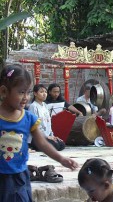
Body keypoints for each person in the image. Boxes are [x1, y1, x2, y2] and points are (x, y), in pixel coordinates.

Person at [0, 64, 78, 201]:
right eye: (21, 92)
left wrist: (61, 159)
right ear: (4, 92)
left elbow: (42, 143)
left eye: (28, 92)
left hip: (19, 177)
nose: (26, 97)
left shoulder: (28, 118)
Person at [28, 84, 65, 151]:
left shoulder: (45, 105)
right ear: (35, 93)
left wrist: (52, 136)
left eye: (45, 92)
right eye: (41, 92)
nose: (44, 94)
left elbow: (48, 123)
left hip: (46, 136)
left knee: (61, 144)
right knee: (55, 145)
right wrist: (47, 137)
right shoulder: (33, 106)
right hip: (37, 137)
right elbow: (34, 126)